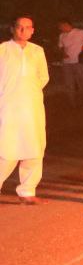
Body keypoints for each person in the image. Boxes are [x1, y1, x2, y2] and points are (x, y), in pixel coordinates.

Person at [0, 16, 49, 204]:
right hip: (8, 107)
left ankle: (27, 191)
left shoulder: (37, 51)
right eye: (19, 27)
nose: (23, 31)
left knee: (34, 148)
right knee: (7, 149)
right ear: (13, 29)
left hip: (33, 107)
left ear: (32, 30)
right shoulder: (3, 50)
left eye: (27, 27)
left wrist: (30, 91)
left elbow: (43, 77)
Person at [56, 18, 83, 107]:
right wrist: (63, 53)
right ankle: (72, 104)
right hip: (66, 63)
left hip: (79, 62)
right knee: (69, 84)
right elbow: (60, 47)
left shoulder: (80, 32)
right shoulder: (62, 35)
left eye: (61, 26)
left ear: (66, 24)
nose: (60, 28)